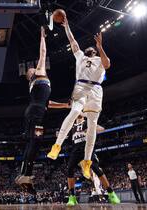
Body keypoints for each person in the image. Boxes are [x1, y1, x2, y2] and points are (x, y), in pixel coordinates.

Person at [47, 14, 111, 179]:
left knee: (91, 126)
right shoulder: (80, 56)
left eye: (94, 49)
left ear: (95, 52)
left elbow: (108, 64)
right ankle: (57, 145)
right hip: (81, 86)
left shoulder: (99, 58)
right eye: (92, 48)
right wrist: (66, 26)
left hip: (96, 89)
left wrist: (100, 46)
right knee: (75, 112)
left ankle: (87, 162)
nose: (91, 49)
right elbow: (72, 40)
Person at [15, 27, 70, 191]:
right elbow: (43, 53)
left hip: (35, 111)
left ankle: (24, 175)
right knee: (35, 141)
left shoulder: (36, 85)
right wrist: (42, 37)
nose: (33, 67)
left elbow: (48, 103)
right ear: (31, 74)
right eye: (31, 69)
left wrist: (65, 105)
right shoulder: (39, 73)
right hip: (36, 113)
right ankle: (25, 174)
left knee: (33, 142)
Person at [65, 115, 120, 206]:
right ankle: (72, 197)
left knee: (96, 169)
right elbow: (66, 138)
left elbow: (101, 129)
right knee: (69, 169)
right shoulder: (72, 126)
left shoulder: (87, 122)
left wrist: (92, 129)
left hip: (87, 148)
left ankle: (111, 193)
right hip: (76, 150)